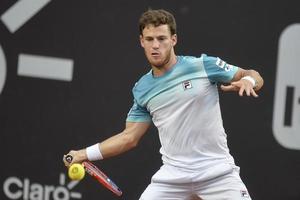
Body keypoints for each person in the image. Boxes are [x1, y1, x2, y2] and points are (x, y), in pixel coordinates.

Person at [63, 9, 263, 200]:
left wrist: (249, 81)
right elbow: (129, 138)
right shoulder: (142, 89)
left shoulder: (202, 65)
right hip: (172, 178)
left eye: (162, 39)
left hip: (218, 173)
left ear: (173, 40)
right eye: (149, 39)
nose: (155, 45)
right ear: (142, 42)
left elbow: (253, 75)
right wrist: (82, 154)